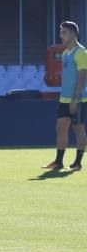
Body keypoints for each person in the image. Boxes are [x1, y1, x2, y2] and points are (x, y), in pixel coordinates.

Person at [42, 21, 87, 171]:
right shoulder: (66, 53)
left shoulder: (81, 52)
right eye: (61, 32)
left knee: (79, 129)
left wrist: (75, 99)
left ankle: (77, 163)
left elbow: (82, 78)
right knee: (60, 128)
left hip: (78, 99)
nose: (61, 35)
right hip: (64, 99)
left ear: (73, 34)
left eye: (64, 32)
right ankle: (58, 162)